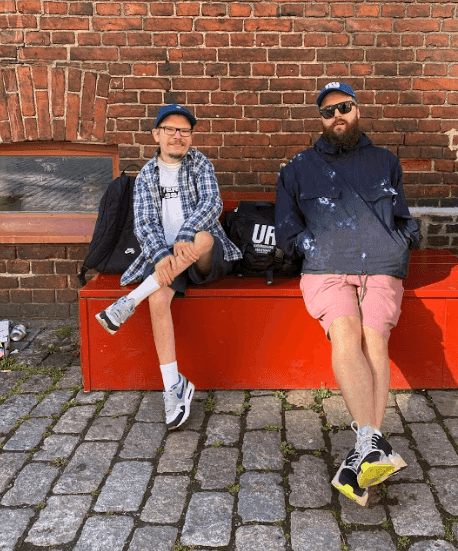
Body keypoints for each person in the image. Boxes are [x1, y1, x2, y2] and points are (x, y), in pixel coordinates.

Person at [275, 82, 420, 506]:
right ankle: (371, 450)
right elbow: (287, 228)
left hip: (381, 264)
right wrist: (312, 249)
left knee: (375, 339)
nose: (337, 115)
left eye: (344, 107)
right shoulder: (297, 168)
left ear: (357, 109)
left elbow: (403, 216)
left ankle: (364, 454)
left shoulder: (385, 161)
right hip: (326, 268)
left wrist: (400, 243)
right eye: (328, 111)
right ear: (320, 120)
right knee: (345, 334)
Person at [95, 104, 242, 430]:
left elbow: (212, 204)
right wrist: (161, 256)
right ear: (156, 135)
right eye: (171, 130)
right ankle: (173, 385)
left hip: (204, 257)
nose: (178, 136)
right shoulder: (147, 175)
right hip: (167, 260)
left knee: (202, 238)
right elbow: (145, 223)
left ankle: (129, 301)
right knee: (158, 299)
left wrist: (186, 234)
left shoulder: (200, 164)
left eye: (184, 130)